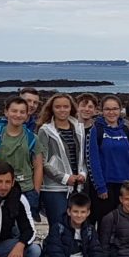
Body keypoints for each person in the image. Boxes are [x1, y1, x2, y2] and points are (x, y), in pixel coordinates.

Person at [39, 192, 115, 257]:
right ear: (69, 211)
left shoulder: (90, 229)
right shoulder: (58, 227)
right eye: (75, 211)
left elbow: (96, 251)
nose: (79, 215)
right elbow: (55, 255)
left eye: (83, 212)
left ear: (88, 213)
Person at [0, 95, 44, 221]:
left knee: (25, 230)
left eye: (22, 112)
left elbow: (38, 166)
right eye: (14, 111)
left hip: (26, 190)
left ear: (27, 115)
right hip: (0, 190)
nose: (18, 115)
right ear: (6, 112)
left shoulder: (33, 138)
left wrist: (36, 192)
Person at [86, 95, 129, 223]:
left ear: (120, 110)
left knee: (124, 224)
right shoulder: (96, 130)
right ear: (101, 111)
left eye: (115, 109)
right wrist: (100, 186)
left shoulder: (126, 130)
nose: (111, 112)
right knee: (105, 224)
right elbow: (93, 160)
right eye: (107, 109)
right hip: (105, 187)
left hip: (125, 186)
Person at [37, 93, 87, 227]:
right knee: (58, 226)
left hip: (77, 186)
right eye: (58, 107)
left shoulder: (79, 128)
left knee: (75, 225)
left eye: (66, 106)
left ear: (71, 108)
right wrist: (64, 178)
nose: (62, 110)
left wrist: (82, 174)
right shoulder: (45, 130)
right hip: (54, 188)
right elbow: (41, 161)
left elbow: (82, 156)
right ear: (51, 109)